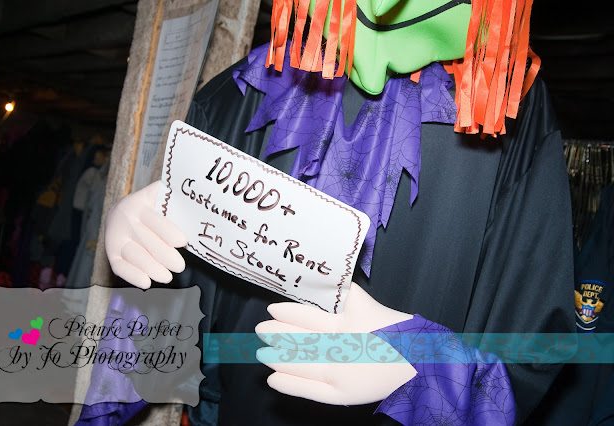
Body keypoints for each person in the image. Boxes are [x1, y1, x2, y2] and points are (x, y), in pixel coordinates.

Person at [94, 0, 576, 424]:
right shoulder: (243, 90)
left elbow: (531, 342)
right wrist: (150, 261)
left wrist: (424, 367)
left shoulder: (509, 104)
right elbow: (177, 316)